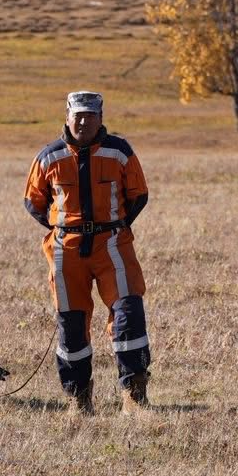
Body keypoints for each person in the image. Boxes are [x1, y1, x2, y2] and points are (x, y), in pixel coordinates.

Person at [23, 91, 153, 412]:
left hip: (113, 245)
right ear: (67, 115)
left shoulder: (120, 152)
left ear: (101, 117)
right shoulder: (48, 157)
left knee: (128, 313)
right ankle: (78, 398)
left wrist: (112, 225)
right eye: (78, 114)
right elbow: (34, 202)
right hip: (66, 250)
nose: (83, 121)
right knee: (71, 322)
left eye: (90, 115)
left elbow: (138, 195)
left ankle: (133, 395)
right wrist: (67, 229)